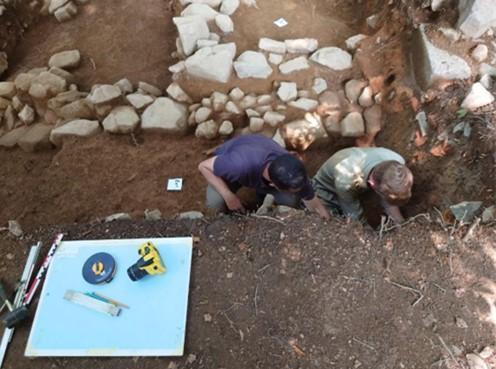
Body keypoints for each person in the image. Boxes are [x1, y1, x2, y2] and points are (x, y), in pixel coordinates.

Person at [198, 134, 330, 219]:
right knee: (215, 203)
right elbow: (203, 166)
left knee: (290, 201)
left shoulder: (294, 172)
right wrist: (229, 196)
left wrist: (326, 222)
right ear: (274, 185)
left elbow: (313, 201)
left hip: (258, 167)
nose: (299, 191)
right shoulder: (237, 165)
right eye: (292, 190)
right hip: (236, 158)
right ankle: (224, 219)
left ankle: (261, 196)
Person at [313, 147, 413, 224]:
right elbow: (354, 217)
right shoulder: (346, 180)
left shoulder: (398, 162)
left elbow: (389, 196)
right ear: (372, 184)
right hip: (326, 191)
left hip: (358, 181)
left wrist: (401, 223)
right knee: (330, 224)